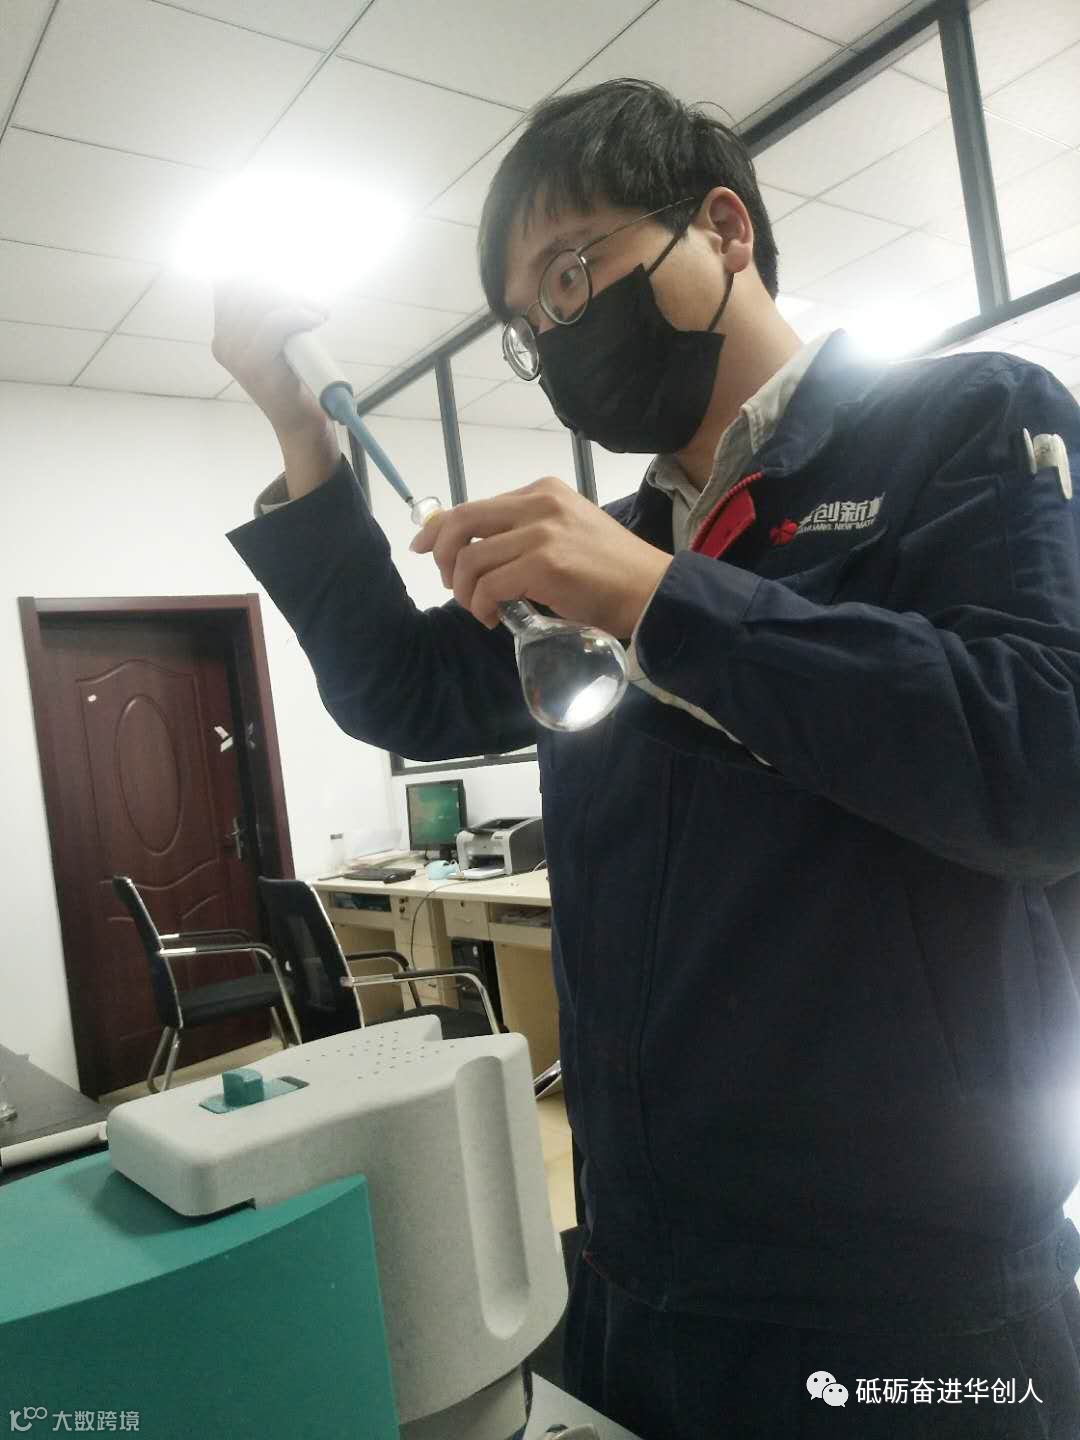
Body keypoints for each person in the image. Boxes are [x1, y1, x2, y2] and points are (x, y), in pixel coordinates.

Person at [216, 78, 1080, 1439]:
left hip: (911, 1290)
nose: (557, 334)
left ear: (723, 228)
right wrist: (301, 434)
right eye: (526, 324)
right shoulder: (617, 540)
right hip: (643, 1256)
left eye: (574, 272)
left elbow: (1045, 760)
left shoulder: (965, 422)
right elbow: (403, 689)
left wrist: (662, 601)